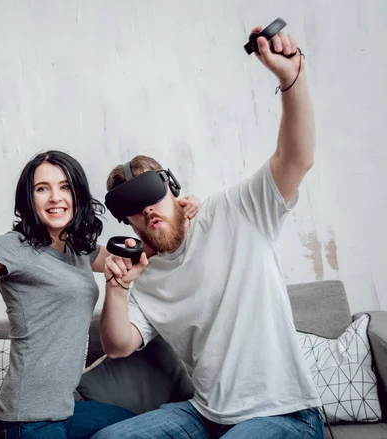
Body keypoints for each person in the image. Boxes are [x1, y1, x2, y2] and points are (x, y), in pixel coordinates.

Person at [92, 27, 325, 439]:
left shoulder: (237, 212)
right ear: (126, 221)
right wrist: (116, 288)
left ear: (173, 189)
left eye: (152, 193)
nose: (146, 208)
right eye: (132, 206)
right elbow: (118, 346)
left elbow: (296, 158)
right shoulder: (141, 277)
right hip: (205, 415)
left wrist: (292, 79)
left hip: (284, 414)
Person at [0, 149, 201, 439]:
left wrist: (183, 208)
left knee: (133, 428)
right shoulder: (14, 248)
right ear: (30, 199)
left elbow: (152, 248)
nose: (56, 197)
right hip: (26, 420)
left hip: (65, 410)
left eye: (64, 187)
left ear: (76, 195)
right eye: (42, 188)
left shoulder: (78, 249)